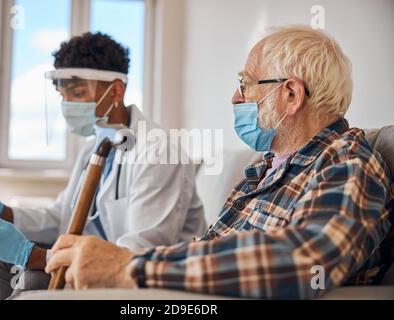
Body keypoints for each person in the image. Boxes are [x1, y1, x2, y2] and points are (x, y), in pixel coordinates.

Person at [44, 26, 393, 299]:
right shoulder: (263, 171)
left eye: (246, 84)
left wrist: (131, 267)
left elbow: (301, 263)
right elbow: (208, 252)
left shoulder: (347, 163)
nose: (235, 97)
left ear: (291, 95)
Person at [0, 32, 206, 299]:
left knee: (33, 277)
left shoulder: (160, 150)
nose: (67, 105)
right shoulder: (95, 147)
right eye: (62, 96)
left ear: (116, 90)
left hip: (142, 276)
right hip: (98, 259)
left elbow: (138, 252)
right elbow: (63, 217)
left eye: (78, 93)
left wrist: (34, 256)